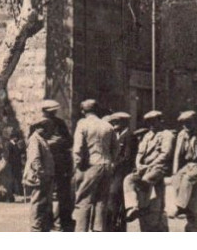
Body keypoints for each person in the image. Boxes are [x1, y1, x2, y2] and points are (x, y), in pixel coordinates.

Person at [124, 109, 175, 231]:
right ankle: (132, 207)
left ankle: (146, 209)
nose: (151, 124)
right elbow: (140, 153)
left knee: (146, 182)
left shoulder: (167, 135)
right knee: (129, 179)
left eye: (153, 121)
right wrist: (139, 164)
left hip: (159, 167)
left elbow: (165, 154)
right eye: (149, 122)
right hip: (144, 168)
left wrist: (149, 165)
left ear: (160, 121)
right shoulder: (147, 136)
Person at [72, 99, 117, 232]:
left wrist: (78, 165)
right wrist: (110, 160)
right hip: (106, 165)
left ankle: (81, 232)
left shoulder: (82, 124)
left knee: (83, 200)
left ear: (82, 111)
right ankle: (98, 231)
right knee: (101, 200)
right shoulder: (108, 126)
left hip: (91, 166)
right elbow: (115, 148)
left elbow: (78, 148)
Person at [169, 110, 197, 231]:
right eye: (183, 123)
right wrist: (174, 172)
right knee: (177, 179)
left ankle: (180, 207)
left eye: (188, 123)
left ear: (194, 122)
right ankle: (183, 206)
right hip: (187, 165)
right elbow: (177, 154)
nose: (186, 126)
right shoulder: (182, 134)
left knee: (188, 178)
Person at [39, 99, 75, 231]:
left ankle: (64, 222)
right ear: (44, 111)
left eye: (54, 111)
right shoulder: (38, 124)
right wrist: (49, 143)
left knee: (63, 195)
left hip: (61, 164)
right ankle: (46, 223)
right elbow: (32, 144)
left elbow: (70, 141)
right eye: (50, 111)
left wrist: (61, 141)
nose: (53, 113)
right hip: (45, 164)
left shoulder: (60, 123)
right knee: (46, 195)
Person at [23, 119, 56, 232]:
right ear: (37, 127)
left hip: (45, 176)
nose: (46, 129)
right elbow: (35, 159)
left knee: (44, 203)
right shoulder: (34, 139)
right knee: (37, 203)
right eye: (43, 127)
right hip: (40, 177)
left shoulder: (41, 139)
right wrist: (42, 173)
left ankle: (42, 226)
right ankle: (35, 228)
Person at [105, 112, 135, 232]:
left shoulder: (129, 136)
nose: (114, 124)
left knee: (114, 196)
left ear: (124, 122)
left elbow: (127, 157)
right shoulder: (116, 135)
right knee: (113, 199)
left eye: (117, 122)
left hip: (122, 172)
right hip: (115, 172)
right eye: (113, 122)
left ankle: (117, 228)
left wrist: (114, 164)